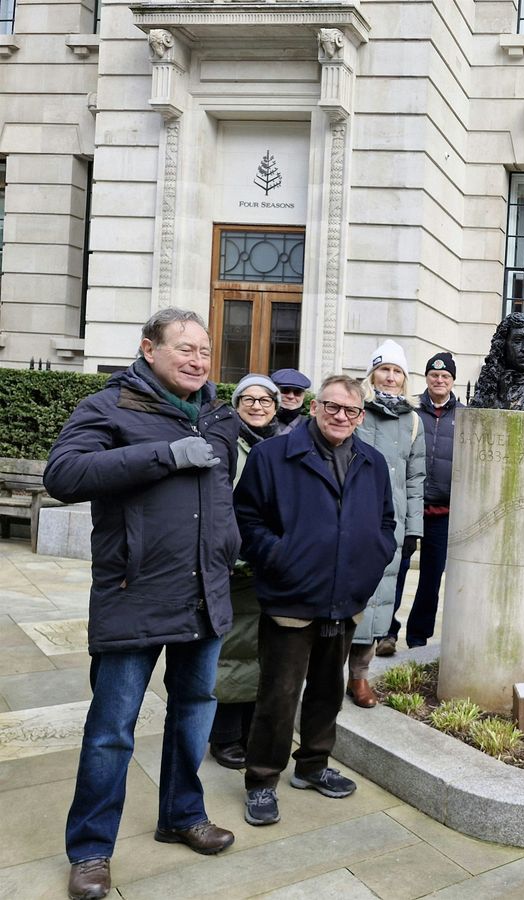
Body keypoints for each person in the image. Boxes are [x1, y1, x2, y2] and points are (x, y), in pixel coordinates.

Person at [45, 308, 239, 900]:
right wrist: (164, 455)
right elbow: (63, 474)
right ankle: (91, 850)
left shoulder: (219, 414)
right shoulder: (110, 406)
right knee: (112, 729)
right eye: (184, 348)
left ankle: (183, 815)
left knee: (193, 713)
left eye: (204, 350)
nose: (198, 360)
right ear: (149, 349)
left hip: (204, 594)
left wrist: (228, 549)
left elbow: (220, 498)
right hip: (135, 595)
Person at [234, 374, 397, 827]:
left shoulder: (372, 461)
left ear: (360, 417)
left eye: (351, 410)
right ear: (314, 407)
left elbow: (386, 522)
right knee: (279, 694)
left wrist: (372, 561)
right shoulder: (273, 456)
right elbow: (246, 519)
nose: (341, 416)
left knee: (327, 690)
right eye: (332, 406)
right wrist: (280, 557)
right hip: (291, 598)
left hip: (345, 596)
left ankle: (313, 765)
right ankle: (262, 779)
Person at [208, 374, 282, 769]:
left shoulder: (283, 445)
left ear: (275, 406)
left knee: (262, 654)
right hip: (234, 565)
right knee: (231, 653)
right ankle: (223, 735)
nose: (257, 406)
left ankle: (251, 731)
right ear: (236, 405)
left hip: (270, 564)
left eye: (265, 399)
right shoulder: (225, 443)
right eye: (247, 399)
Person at [345, 341, 425, 705]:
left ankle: (360, 676)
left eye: (397, 371)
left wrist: (414, 530)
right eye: (384, 370)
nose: (390, 377)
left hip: (391, 523)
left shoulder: (413, 421)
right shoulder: (355, 410)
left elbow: (415, 479)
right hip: (351, 517)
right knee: (344, 598)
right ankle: (327, 675)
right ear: (372, 374)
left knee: (379, 601)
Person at [379, 352, 457, 655]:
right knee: (396, 569)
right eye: (434, 375)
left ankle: (418, 637)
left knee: (431, 578)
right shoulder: (410, 411)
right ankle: (387, 632)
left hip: (443, 512)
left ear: (452, 380)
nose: (439, 380)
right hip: (409, 508)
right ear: (426, 378)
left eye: (445, 376)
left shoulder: (463, 416)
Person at [270, 367, 312, 435]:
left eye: (297, 392)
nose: (291, 396)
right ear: (273, 393)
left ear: (303, 396)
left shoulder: (310, 426)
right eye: (285, 390)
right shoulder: (262, 421)